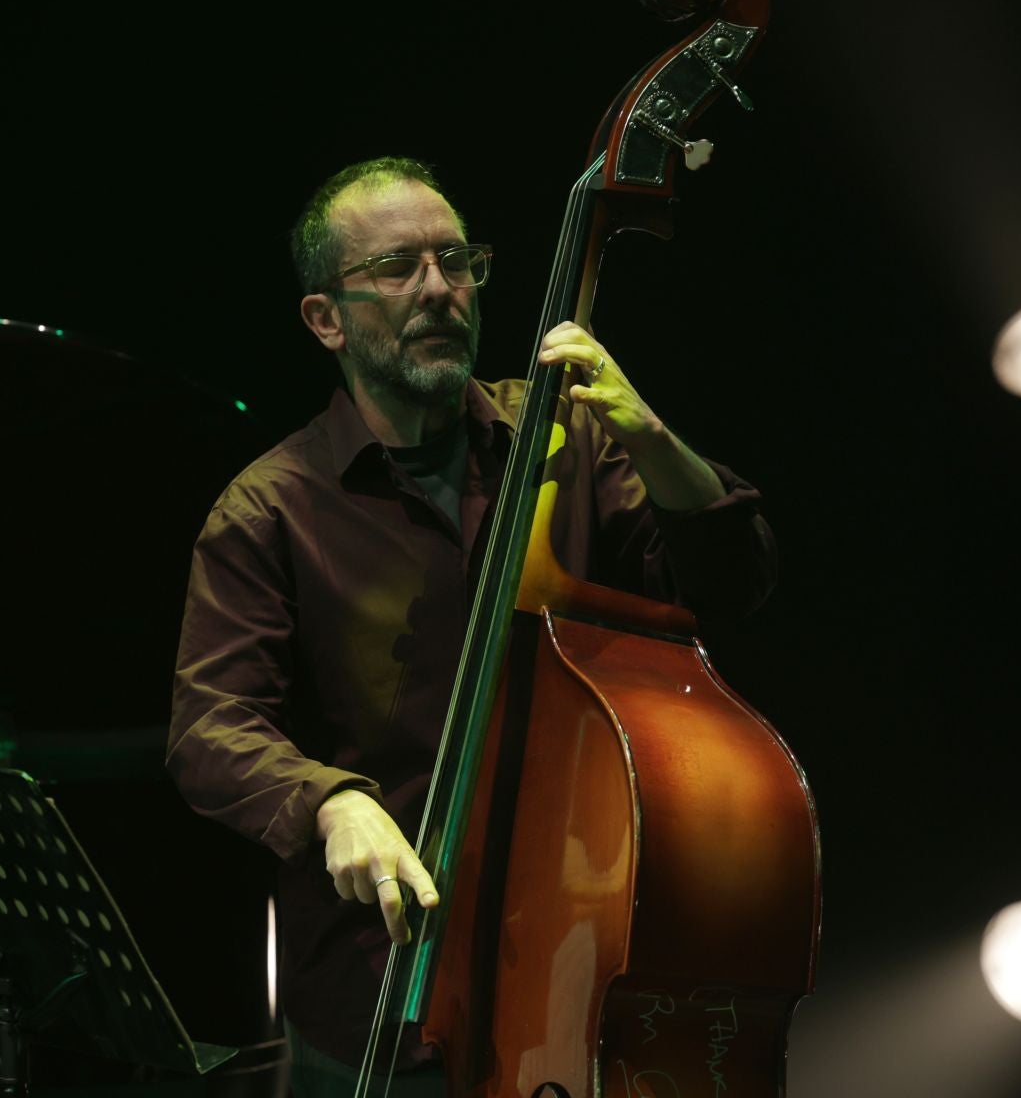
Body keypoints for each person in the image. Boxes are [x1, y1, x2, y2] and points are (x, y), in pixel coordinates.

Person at [165, 156, 775, 1093]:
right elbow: (211, 728)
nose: (439, 290)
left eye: (456, 261)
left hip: (576, 969)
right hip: (377, 997)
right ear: (325, 318)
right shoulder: (269, 512)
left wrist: (650, 434)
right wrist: (333, 800)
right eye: (398, 268)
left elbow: (730, 582)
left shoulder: (570, 437)